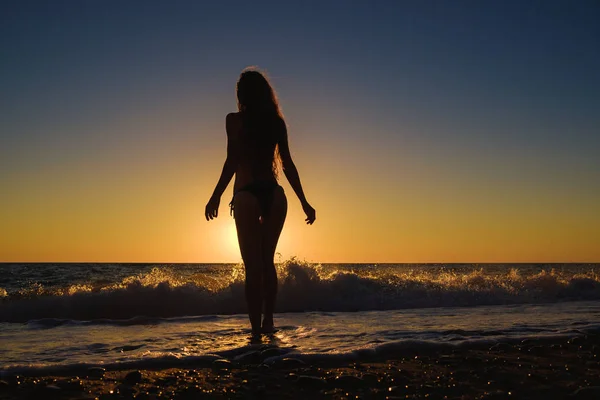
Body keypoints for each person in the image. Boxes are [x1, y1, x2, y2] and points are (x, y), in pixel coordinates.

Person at [205, 68, 316, 335]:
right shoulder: (276, 123)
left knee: (252, 267)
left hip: (245, 196)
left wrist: (216, 195)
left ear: (241, 95)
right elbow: (287, 165)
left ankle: (255, 330)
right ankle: (269, 322)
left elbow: (232, 161)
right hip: (275, 195)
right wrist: (303, 201)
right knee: (267, 262)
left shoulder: (234, 120)